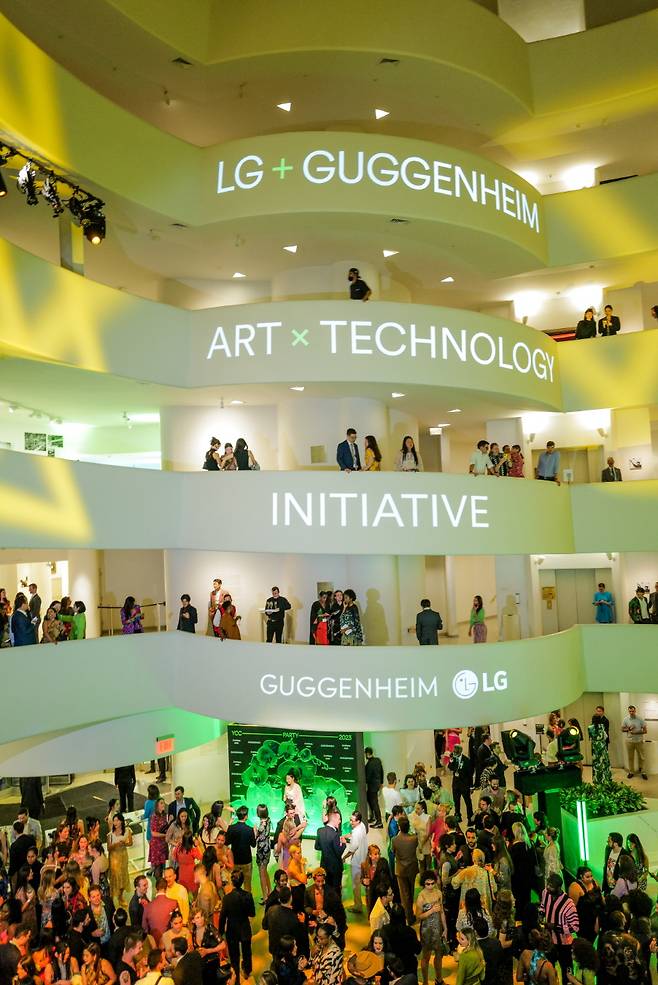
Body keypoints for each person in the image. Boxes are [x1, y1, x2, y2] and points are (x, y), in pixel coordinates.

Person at [541, 872, 579, 983]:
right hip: (549, 941)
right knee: (549, 967)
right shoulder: (545, 893)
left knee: (566, 971)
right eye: (547, 884)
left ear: (558, 888)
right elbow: (543, 906)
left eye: (551, 886)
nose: (547, 887)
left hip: (564, 944)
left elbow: (575, 927)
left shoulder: (568, 904)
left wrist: (556, 927)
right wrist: (541, 914)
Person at [218, 870, 255, 981]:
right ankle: (247, 971)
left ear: (232, 882)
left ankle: (236, 978)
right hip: (244, 928)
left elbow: (222, 917)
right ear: (242, 881)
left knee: (234, 956)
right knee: (247, 952)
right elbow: (252, 913)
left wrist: (220, 932)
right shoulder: (248, 896)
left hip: (232, 930)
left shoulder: (227, 898)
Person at [415, 870, 447, 985]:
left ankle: (439, 979)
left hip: (438, 929)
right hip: (426, 930)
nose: (430, 886)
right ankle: (425, 982)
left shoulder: (438, 893)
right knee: (426, 957)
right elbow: (418, 916)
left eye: (432, 883)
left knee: (439, 956)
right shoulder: (421, 896)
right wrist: (431, 910)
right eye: (427, 884)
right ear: (423, 884)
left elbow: (442, 911)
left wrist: (445, 928)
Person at [391, 815, 418, 925]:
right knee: (411, 892)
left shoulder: (395, 840)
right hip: (412, 868)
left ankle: (408, 916)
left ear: (399, 826)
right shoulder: (414, 839)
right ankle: (410, 914)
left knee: (404, 894)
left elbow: (393, 852)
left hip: (401, 869)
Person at [226, 805, 256, 893]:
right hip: (246, 860)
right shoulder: (249, 829)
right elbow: (253, 845)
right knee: (247, 885)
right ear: (246, 816)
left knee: (234, 883)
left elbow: (227, 842)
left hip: (234, 859)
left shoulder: (231, 828)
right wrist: (254, 833)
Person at [343, 811, 368, 912]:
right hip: (364, 859)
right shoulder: (362, 826)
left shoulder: (356, 832)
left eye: (352, 821)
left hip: (357, 862)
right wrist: (347, 836)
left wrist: (344, 857)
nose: (350, 822)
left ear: (358, 821)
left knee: (355, 885)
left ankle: (358, 906)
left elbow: (352, 848)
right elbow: (353, 834)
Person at [141, 878, 177, 945]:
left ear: (156, 888)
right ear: (166, 888)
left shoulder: (148, 907)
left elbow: (144, 928)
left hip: (154, 943)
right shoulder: (174, 903)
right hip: (171, 942)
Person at [107, 813, 132, 905]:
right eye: (114, 820)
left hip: (123, 856)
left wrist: (124, 843)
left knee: (123, 876)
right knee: (115, 877)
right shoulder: (110, 834)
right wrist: (116, 844)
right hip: (114, 857)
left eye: (117, 820)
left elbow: (130, 843)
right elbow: (108, 848)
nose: (115, 822)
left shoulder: (127, 831)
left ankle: (120, 896)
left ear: (121, 821)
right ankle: (112, 896)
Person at [315, 819, 344, 893]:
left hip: (324, 865)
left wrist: (326, 848)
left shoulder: (320, 831)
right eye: (338, 819)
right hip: (335, 868)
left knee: (326, 888)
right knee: (336, 890)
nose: (339, 821)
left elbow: (317, 847)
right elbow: (339, 852)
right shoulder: (335, 834)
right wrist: (343, 844)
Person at [622, 704, 648, 779]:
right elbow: (622, 729)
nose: (631, 712)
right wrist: (629, 729)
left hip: (639, 741)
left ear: (635, 711)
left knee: (642, 757)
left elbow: (645, 731)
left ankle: (643, 771)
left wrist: (636, 733)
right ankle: (631, 772)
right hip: (629, 741)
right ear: (628, 711)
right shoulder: (626, 719)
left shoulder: (640, 719)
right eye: (630, 711)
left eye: (633, 711)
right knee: (630, 757)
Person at [448, 746, 473, 823]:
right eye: (454, 752)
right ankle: (458, 815)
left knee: (468, 802)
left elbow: (470, 774)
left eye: (456, 753)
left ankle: (470, 817)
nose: (455, 754)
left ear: (460, 752)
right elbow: (450, 767)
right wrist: (451, 760)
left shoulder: (466, 760)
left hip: (464, 784)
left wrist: (471, 786)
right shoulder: (453, 758)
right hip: (455, 784)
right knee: (456, 801)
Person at [254, 804, 272, 903]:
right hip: (267, 849)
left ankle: (265, 896)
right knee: (265, 871)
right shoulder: (269, 820)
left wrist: (255, 830)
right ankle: (269, 891)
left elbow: (257, 837)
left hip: (261, 850)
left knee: (261, 874)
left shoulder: (261, 825)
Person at [365, 747, 384, 827]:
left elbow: (368, 777)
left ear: (367, 754)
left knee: (374, 803)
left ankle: (379, 821)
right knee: (370, 800)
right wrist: (381, 782)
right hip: (377, 785)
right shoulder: (377, 760)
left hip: (372, 786)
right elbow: (382, 771)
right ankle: (372, 817)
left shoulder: (369, 764)